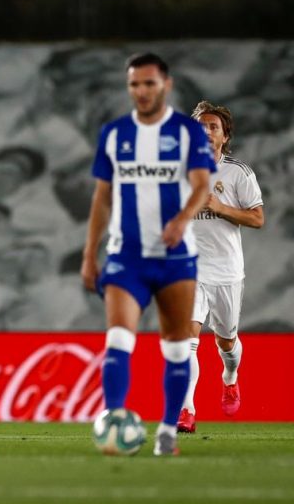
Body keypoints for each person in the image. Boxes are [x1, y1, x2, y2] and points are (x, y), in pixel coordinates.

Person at [80, 53, 215, 456]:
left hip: (176, 259)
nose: (141, 91)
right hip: (127, 257)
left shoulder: (187, 133)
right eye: (135, 85)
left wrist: (182, 219)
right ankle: (115, 422)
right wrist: (90, 254)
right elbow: (102, 198)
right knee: (118, 340)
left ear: (166, 86)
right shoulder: (115, 134)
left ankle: (168, 432)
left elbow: (202, 185)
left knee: (175, 348)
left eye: (149, 84)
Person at [177, 102, 264, 433]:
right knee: (188, 339)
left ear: (225, 136)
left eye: (214, 126)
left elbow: (257, 218)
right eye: (201, 126)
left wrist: (219, 206)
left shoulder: (238, 173)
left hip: (227, 271)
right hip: (190, 269)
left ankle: (230, 376)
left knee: (226, 342)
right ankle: (187, 410)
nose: (207, 132)